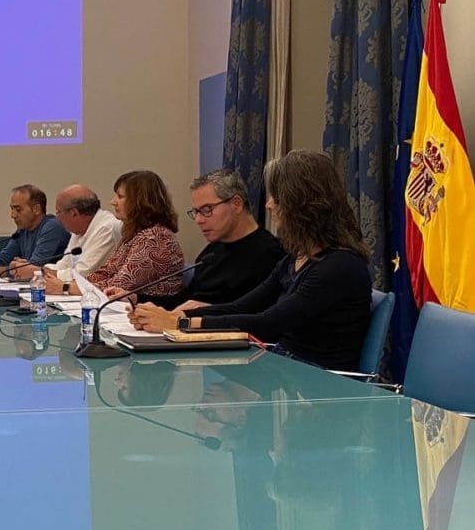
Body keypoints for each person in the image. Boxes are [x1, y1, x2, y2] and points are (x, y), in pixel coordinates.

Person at [131, 150, 372, 371]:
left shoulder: (340, 266)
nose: (268, 205)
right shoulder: (295, 258)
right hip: (284, 368)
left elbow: (268, 322)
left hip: (316, 381)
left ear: (302, 203)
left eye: (276, 197)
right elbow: (242, 306)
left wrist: (180, 323)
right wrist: (172, 315)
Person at [150, 169, 285, 310]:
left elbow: (257, 314)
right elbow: (185, 300)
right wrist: (140, 301)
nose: (198, 220)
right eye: (196, 212)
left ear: (236, 204)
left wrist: (207, 311)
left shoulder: (270, 254)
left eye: (207, 209)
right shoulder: (211, 252)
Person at [46, 171, 184, 299]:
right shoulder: (134, 234)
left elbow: (118, 285)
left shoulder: (155, 238)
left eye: (120, 196)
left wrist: (65, 287)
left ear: (140, 202)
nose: (113, 202)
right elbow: (105, 272)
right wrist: (69, 285)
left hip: (152, 312)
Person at [0, 184, 69, 280]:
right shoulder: (22, 230)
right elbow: (2, 260)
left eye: (18, 209)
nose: (13, 215)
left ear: (36, 209)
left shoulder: (52, 227)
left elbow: (32, 268)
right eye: (12, 209)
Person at [44, 184, 122, 287]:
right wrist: (41, 271)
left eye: (58, 212)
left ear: (74, 213)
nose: (57, 218)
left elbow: (83, 274)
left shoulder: (106, 229)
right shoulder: (78, 229)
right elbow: (64, 265)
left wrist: (41, 272)